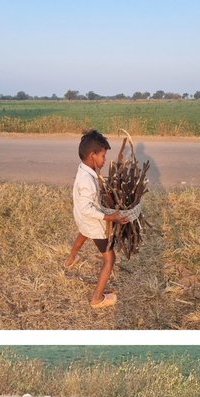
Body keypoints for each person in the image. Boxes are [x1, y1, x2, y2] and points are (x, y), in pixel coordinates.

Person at [66, 129, 130, 310]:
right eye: (103, 156)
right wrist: (110, 216)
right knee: (109, 260)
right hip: (93, 223)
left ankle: (71, 259)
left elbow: (86, 205)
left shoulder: (84, 170)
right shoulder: (87, 180)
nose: (104, 160)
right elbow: (88, 208)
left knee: (83, 233)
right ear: (92, 155)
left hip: (83, 220)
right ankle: (97, 299)